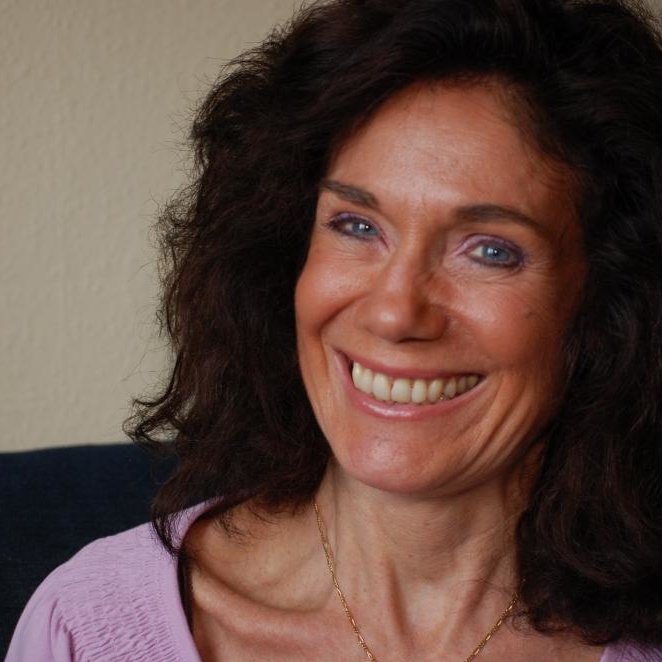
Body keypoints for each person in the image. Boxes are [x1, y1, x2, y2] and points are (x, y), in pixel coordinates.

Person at [7, 0, 662, 660]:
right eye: (356, 226)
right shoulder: (85, 630)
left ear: (611, 304)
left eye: (491, 250)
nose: (394, 313)